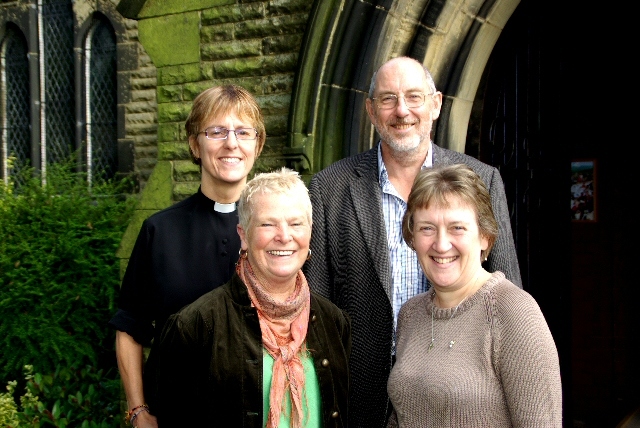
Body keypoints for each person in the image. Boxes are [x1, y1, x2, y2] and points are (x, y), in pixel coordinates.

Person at [303, 56, 522, 427]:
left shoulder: (482, 180)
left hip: (457, 393)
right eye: (387, 99)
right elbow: (316, 309)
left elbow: (507, 291)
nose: (401, 110)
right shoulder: (330, 188)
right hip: (360, 398)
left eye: (413, 97)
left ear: (435, 104)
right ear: (372, 111)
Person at [108, 84, 266, 427]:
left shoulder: (278, 231)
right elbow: (129, 328)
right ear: (195, 144)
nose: (231, 143)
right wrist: (137, 411)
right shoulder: (160, 231)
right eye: (216, 131)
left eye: (243, 132)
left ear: (258, 144)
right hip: (178, 414)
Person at [153, 168, 351, 427]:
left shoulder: (334, 322)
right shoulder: (194, 326)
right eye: (268, 224)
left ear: (310, 232)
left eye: (295, 223)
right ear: (244, 235)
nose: (283, 236)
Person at [387, 164, 562, 427]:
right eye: (427, 228)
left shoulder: (513, 312)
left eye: (457, 228)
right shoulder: (411, 314)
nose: (441, 244)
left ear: (485, 237)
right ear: (412, 238)